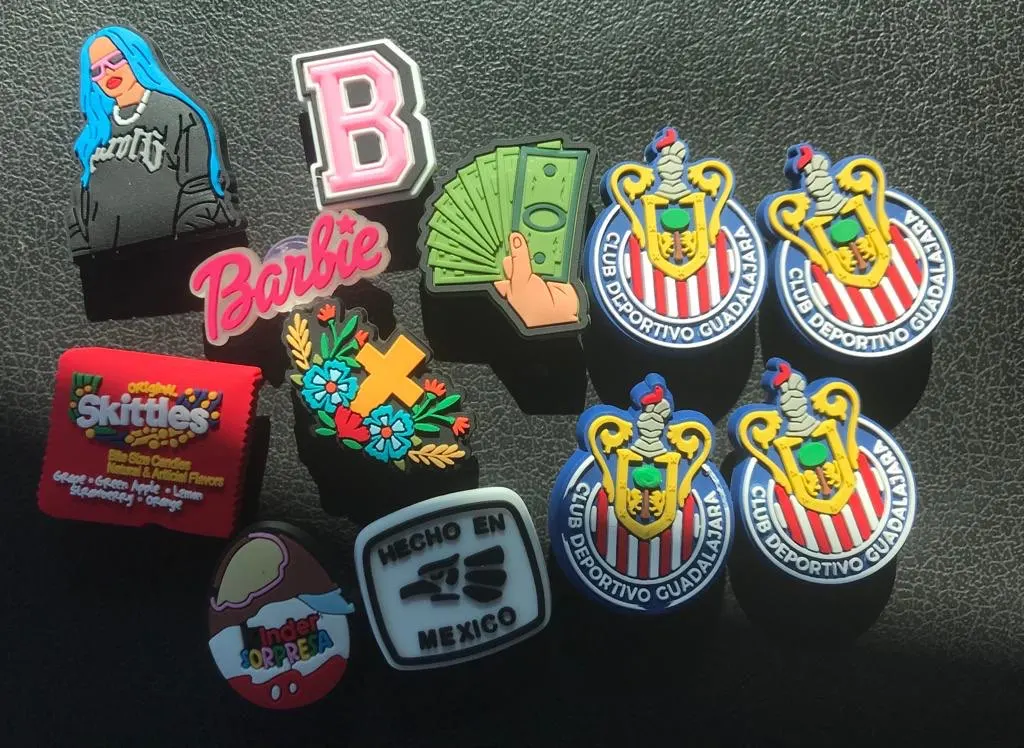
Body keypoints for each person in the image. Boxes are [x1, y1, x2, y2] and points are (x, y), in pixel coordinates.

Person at [69, 26, 241, 254]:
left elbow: (199, 187)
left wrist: (195, 244)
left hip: (180, 252)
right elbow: (83, 197)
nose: (107, 72)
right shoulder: (96, 133)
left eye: (115, 60)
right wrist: (83, 247)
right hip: (107, 261)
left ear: (135, 55)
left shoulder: (178, 114)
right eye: (96, 70)